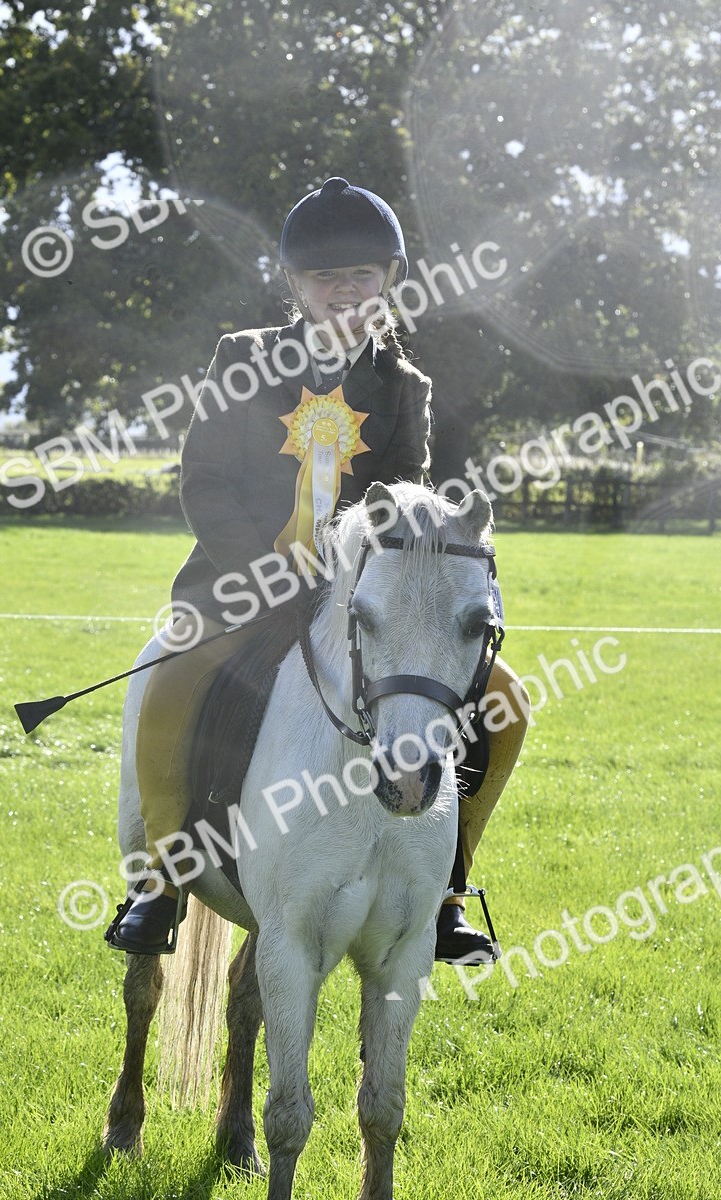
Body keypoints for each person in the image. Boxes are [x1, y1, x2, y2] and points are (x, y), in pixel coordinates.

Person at [107, 177, 529, 960]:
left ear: (388, 283)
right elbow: (204, 480)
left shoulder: (404, 387)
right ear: (296, 286)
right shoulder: (242, 359)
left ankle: (447, 889)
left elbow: (404, 503)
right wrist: (265, 568)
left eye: (363, 276)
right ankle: (160, 880)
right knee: (171, 674)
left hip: (358, 599)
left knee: (505, 699)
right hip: (240, 585)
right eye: (327, 278)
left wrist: (350, 581)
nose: (346, 291)